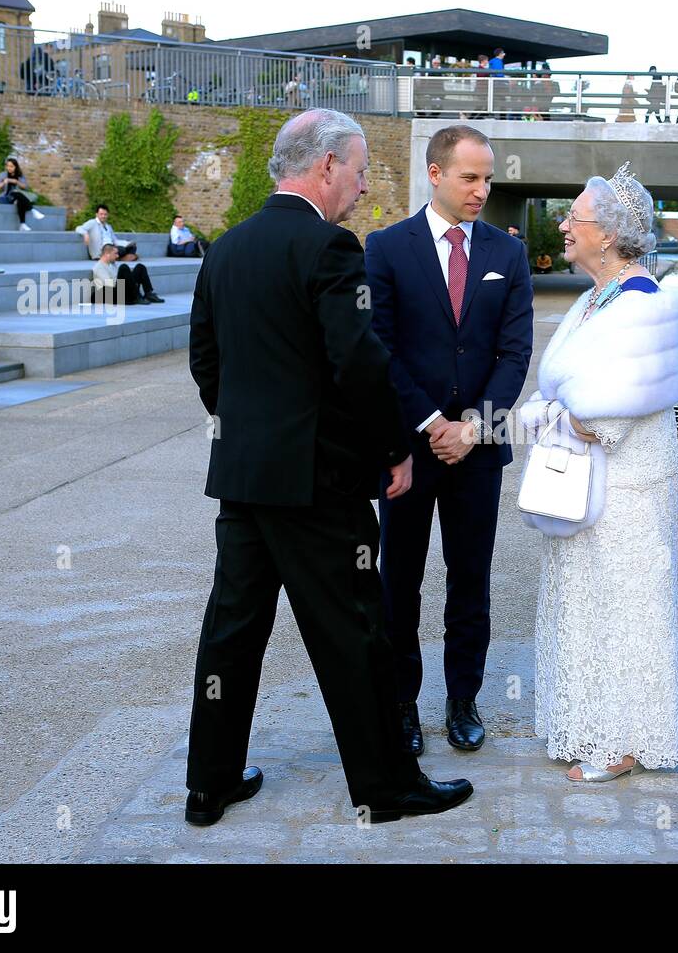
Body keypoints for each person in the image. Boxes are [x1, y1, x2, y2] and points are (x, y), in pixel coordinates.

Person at [185, 108, 473, 827]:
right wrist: (392, 450)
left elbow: (205, 361)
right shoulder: (331, 249)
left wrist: (252, 431)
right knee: (356, 633)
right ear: (323, 168)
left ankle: (209, 782)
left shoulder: (225, 249)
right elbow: (360, 363)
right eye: (360, 168)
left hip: (246, 480)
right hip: (321, 485)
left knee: (231, 631)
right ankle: (388, 786)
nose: (364, 183)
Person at [365, 125, 534, 757]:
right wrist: (434, 424)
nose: (482, 190)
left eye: (488, 178)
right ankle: (401, 704)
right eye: (470, 178)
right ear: (435, 174)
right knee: (398, 581)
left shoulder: (507, 254)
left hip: (480, 451)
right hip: (408, 449)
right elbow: (378, 347)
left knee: (471, 578)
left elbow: (515, 353)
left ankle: (463, 700)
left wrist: (476, 428)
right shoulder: (385, 249)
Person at [517, 163, 678, 783]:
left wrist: (551, 415)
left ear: (608, 235)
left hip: (630, 489)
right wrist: (553, 412)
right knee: (583, 605)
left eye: (573, 218)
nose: (563, 226)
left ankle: (624, 741)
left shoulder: (642, 300)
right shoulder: (597, 296)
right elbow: (572, 398)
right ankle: (586, 722)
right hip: (590, 484)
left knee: (626, 612)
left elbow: (603, 417)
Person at [91, 242, 163, 305]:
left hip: (124, 289)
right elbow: (110, 285)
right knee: (124, 267)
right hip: (117, 295)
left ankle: (148, 294)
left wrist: (130, 277)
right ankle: (136, 297)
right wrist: (128, 278)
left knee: (140, 267)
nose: (117, 256)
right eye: (115, 254)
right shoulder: (99, 267)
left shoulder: (112, 264)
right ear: (107, 254)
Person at [0, 157, 47, 231]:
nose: (9, 168)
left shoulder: (20, 176)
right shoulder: (3, 175)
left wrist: (16, 182)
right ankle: (32, 210)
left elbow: (25, 187)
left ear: (16, 167)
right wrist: (3, 183)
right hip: (7, 197)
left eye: (11, 166)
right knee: (15, 193)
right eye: (7, 166)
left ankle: (22, 224)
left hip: (17, 199)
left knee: (19, 200)